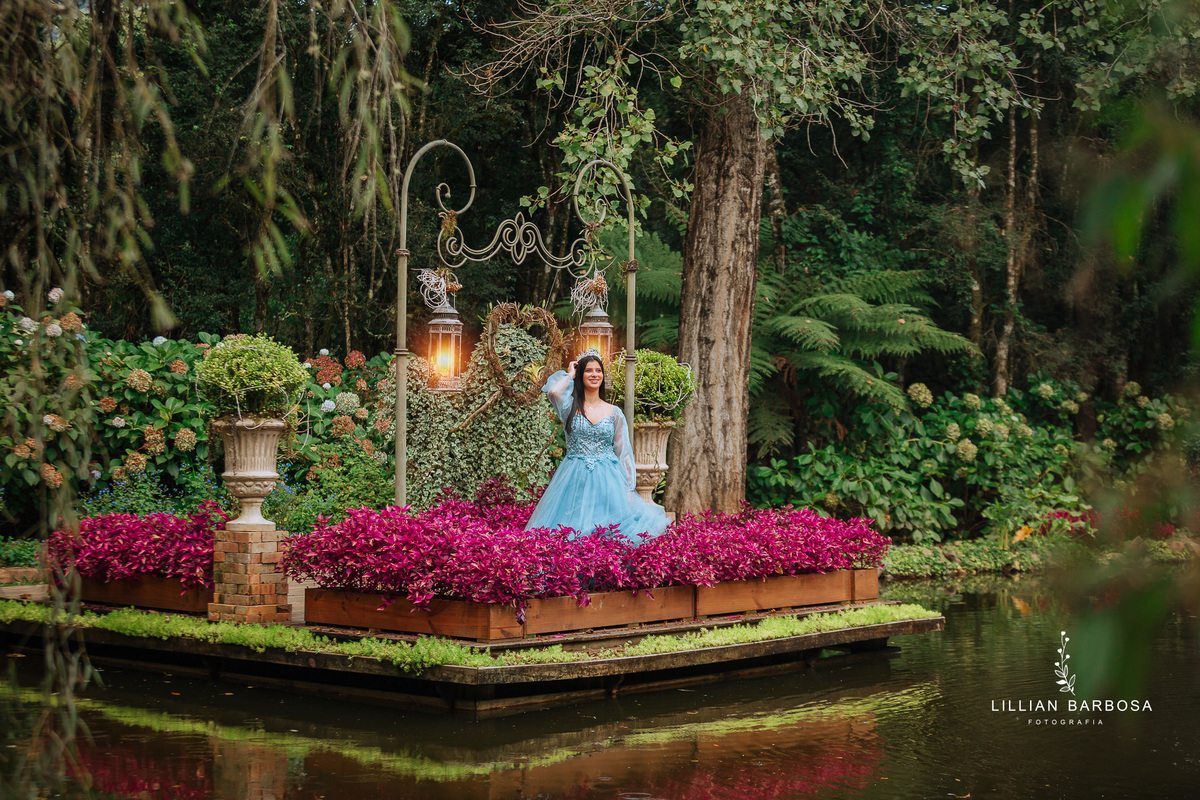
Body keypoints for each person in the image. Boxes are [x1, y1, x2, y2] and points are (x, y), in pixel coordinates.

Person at [524, 350, 669, 544]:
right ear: (581, 375)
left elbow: (624, 452)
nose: (594, 374)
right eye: (589, 371)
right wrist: (570, 374)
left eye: (598, 370)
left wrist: (628, 489)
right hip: (574, 477)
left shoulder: (614, 412)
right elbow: (553, 392)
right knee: (572, 531)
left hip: (609, 480)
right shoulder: (569, 407)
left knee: (611, 534)